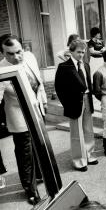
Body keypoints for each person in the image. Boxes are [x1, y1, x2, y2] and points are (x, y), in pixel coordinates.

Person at [0, 34, 48, 204]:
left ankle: (41, 175)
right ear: (3, 54)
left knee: (39, 145)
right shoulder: (1, 70)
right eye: (10, 54)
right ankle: (30, 188)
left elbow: (39, 81)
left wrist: (43, 101)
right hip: (18, 115)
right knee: (25, 152)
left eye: (18, 51)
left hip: (36, 109)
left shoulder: (30, 57)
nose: (16, 57)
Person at [55, 39, 98, 172]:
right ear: (71, 51)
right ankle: (79, 160)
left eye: (83, 52)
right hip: (73, 103)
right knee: (76, 133)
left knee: (88, 130)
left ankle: (89, 155)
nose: (81, 54)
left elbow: (88, 84)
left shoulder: (85, 65)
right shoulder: (64, 67)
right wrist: (66, 104)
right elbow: (59, 88)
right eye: (78, 52)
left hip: (86, 99)